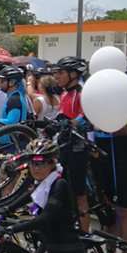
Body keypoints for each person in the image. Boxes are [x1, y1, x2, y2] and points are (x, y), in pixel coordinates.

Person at [92, 100, 127, 253]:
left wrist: (100, 125)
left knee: (124, 210)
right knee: (107, 210)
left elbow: (125, 129)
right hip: (102, 159)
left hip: (125, 162)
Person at [49, 56, 92, 231]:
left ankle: (84, 234)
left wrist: (72, 122)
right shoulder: (65, 93)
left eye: (60, 72)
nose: (56, 76)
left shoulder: (82, 94)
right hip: (63, 146)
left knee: (79, 194)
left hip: (77, 148)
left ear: (73, 74)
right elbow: (61, 116)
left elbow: (87, 118)